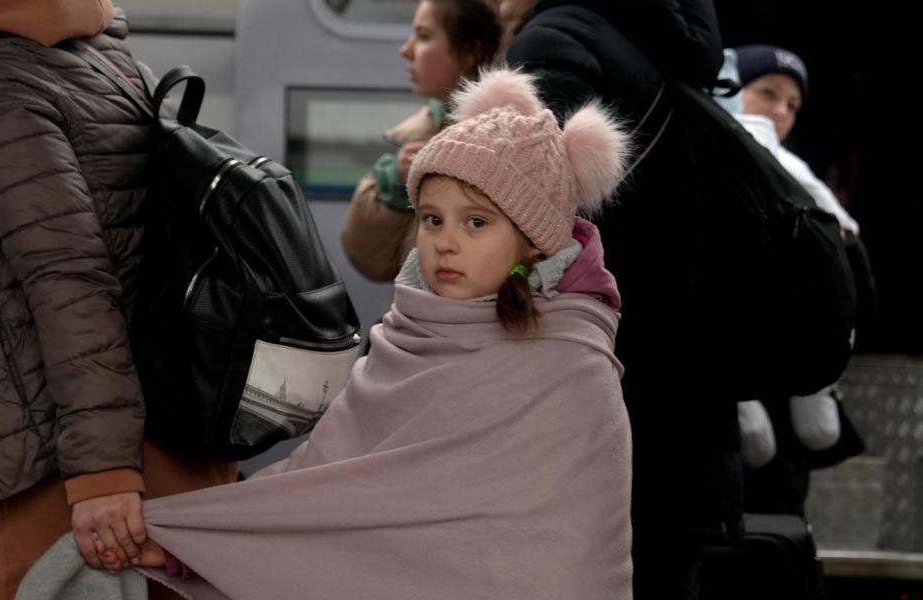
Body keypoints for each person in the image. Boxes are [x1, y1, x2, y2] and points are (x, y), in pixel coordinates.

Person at [19, 67, 635, 600]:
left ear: (534, 241)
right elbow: (326, 496)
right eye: (431, 218)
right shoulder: (403, 340)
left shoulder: (569, 369)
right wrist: (197, 547)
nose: (445, 240)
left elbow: (564, 556)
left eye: (477, 222)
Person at [0, 3, 237, 599]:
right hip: (156, 439)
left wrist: (100, 476)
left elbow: (69, 278)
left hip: (50, 473)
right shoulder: (101, 56)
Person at [499, 1, 733, 597]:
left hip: (602, 407)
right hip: (687, 397)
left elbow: (533, 224)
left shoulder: (556, 42)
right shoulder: (653, 47)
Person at [729, 44, 868, 517]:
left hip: (793, 373)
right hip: (730, 379)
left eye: (792, 105)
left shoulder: (801, 177)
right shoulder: (713, 161)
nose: (780, 111)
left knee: (783, 512)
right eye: (767, 92)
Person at [341, 0, 500, 282]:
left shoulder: (499, 141)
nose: (406, 50)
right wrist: (396, 185)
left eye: (424, 36)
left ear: (470, 53)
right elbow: (368, 258)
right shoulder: (425, 128)